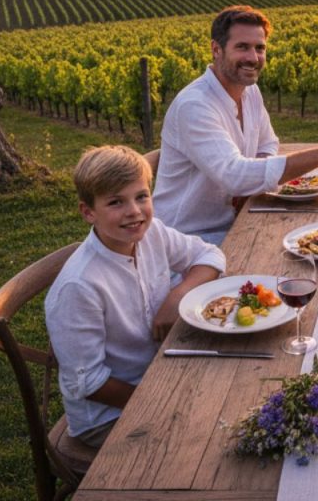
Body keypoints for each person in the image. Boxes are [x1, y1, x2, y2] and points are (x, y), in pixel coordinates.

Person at [46, 145, 226, 448]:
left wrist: (177, 295)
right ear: (88, 212)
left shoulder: (152, 232)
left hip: (161, 371)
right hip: (109, 414)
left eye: (141, 196)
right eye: (116, 202)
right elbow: (87, 382)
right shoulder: (79, 287)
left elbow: (209, 255)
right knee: (207, 440)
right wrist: (157, 401)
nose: (134, 211)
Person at [153, 5, 318, 244]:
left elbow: (268, 142)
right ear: (216, 49)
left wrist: (250, 184)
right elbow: (233, 175)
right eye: (242, 47)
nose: (253, 58)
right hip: (188, 240)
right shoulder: (195, 105)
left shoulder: (250, 91)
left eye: (259, 48)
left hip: (237, 220)